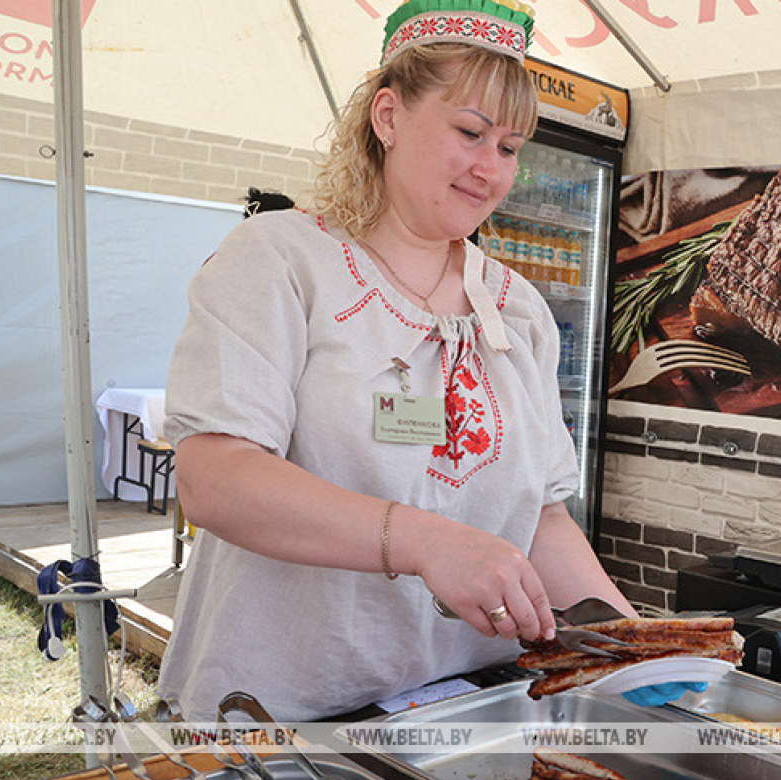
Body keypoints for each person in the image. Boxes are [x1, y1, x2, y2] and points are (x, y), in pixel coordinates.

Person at [158, 0, 696, 721]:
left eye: (509, 147)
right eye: (470, 132)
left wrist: (630, 646)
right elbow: (215, 478)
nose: (491, 169)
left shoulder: (516, 310)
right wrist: (423, 542)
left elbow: (540, 518)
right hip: (284, 709)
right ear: (388, 117)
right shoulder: (282, 260)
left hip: (465, 706)